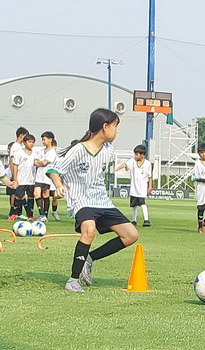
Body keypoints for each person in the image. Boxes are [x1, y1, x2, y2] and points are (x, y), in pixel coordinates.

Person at [48, 108, 139, 293]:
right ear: (105, 127)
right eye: (115, 126)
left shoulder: (108, 150)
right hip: (82, 200)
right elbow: (53, 170)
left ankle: (89, 258)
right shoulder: (78, 149)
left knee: (131, 235)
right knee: (89, 230)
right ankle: (73, 280)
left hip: (102, 201)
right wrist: (58, 185)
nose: (117, 131)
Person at [115, 145, 153, 227]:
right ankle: (134, 220)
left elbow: (150, 176)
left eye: (137, 154)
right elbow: (125, 164)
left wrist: (150, 187)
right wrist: (118, 168)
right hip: (134, 188)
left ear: (142, 155)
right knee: (134, 205)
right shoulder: (132, 161)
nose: (135, 156)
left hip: (142, 187)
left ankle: (146, 220)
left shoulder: (147, 164)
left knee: (142, 203)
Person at [10, 134, 37, 220]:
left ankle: (30, 215)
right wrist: (15, 178)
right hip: (21, 179)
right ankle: (15, 213)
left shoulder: (35, 153)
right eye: (29, 142)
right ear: (24, 142)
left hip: (31, 180)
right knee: (18, 196)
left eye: (33, 142)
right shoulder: (19, 153)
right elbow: (15, 165)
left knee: (30, 196)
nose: (31, 144)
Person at [32, 131, 58, 222]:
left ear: (50, 140)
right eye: (42, 140)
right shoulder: (40, 151)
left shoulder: (52, 152)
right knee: (36, 193)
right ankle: (42, 214)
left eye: (44, 139)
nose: (43, 141)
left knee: (45, 195)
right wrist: (40, 163)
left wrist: (40, 163)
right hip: (38, 176)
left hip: (47, 176)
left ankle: (45, 215)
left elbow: (44, 163)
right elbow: (35, 162)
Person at [7, 127, 28, 218]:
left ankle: (17, 212)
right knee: (15, 194)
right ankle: (13, 213)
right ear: (21, 135)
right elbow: (12, 160)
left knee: (19, 194)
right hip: (15, 175)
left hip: (18, 174)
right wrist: (14, 175)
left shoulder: (19, 146)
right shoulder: (16, 146)